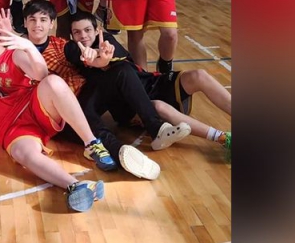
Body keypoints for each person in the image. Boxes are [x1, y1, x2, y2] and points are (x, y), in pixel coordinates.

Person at [5, 0, 177, 178]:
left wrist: (101, 58)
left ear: (52, 24)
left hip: (84, 97)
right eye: (32, 20)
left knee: (122, 70)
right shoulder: (14, 51)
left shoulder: (63, 45)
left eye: (43, 19)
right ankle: (120, 152)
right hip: (56, 113)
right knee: (85, 117)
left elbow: (91, 60)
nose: (37, 25)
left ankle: (155, 127)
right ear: (24, 22)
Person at [0, 15, 112, 213]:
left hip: (33, 106)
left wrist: (28, 46)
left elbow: (41, 75)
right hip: (12, 128)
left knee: (52, 82)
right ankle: (76, 186)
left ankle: (91, 143)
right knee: (22, 154)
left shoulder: (15, 53)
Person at [67, 11, 231, 153]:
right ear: (72, 36)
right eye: (77, 32)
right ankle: (222, 137)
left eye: (87, 30)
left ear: (97, 31)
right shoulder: (72, 49)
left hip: (150, 84)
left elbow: (106, 56)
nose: (83, 35)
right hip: (129, 105)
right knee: (158, 105)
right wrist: (96, 57)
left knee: (198, 75)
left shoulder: (107, 41)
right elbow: (90, 59)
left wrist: (100, 53)